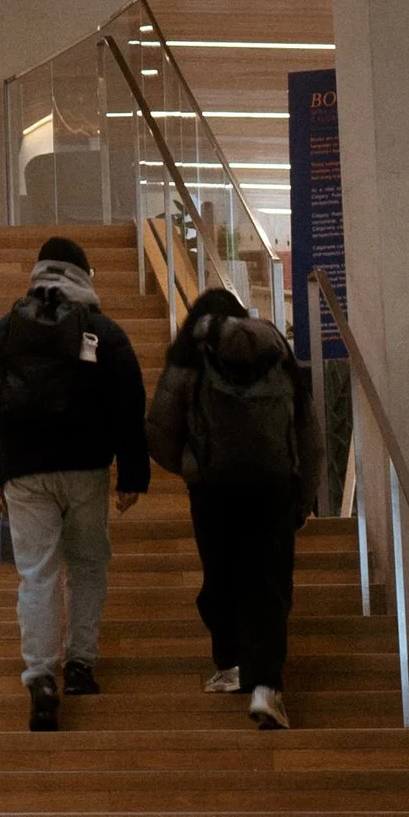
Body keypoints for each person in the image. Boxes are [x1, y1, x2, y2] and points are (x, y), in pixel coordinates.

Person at [0, 232, 151, 731]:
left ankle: (41, 675)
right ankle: (80, 665)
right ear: (84, 277)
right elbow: (130, 406)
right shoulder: (104, 332)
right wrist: (132, 474)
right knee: (88, 563)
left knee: (38, 572)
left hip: (24, 474)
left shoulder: (3, 332)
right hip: (88, 470)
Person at [148, 283, 319, 732]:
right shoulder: (276, 349)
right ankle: (267, 687)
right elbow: (309, 428)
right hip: (274, 488)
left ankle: (230, 664)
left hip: (213, 489)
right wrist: (303, 497)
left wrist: (191, 466)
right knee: (269, 583)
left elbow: (161, 428)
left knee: (221, 575)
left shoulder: (191, 353)